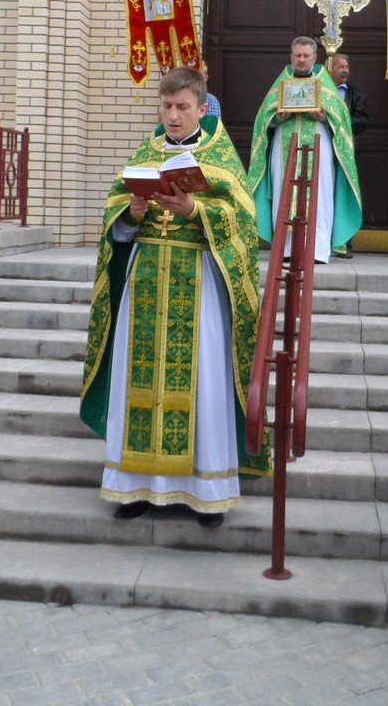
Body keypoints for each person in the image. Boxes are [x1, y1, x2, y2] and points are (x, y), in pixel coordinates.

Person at [81, 68, 268, 526]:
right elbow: (114, 220)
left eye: (182, 107)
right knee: (137, 381)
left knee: (203, 380)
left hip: (198, 282)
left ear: (202, 109)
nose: (173, 115)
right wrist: (132, 211)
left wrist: (197, 209)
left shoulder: (221, 156)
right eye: (166, 106)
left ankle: (205, 491)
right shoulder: (146, 153)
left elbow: (244, 221)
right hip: (146, 281)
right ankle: (134, 487)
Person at [248, 36, 362, 263]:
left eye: (306, 56)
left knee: (320, 193)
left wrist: (324, 116)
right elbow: (262, 121)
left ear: (314, 58)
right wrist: (276, 118)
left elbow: (342, 123)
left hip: (318, 145)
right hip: (285, 145)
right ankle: (286, 249)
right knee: (284, 192)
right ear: (291, 57)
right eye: (297, 55)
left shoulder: (325, 84)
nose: (301, 60)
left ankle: (316, 250)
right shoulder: (281, 84)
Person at [329, 52, 367, 258]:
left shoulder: (356, 95)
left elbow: (363, 122)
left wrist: (339, 120)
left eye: (347, 67)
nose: (345, 71)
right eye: (340, 67)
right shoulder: (321, 91)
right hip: (323, 150)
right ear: (330, 68)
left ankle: (344, 242)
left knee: (344, 194)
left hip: (347, 153)